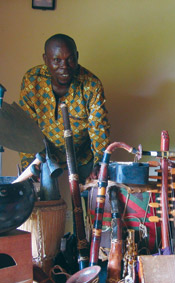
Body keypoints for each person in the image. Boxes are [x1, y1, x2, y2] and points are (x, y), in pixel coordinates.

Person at [18, 33, 110, 183]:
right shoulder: (32, 80)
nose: (64, 67)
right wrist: (29, 164)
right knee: (44, 201)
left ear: (77, 57)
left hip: (82, 154)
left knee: (94, 196)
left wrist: (100, 164)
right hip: (45, 154)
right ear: (45, 60)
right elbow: (26, 126)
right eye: (56, 60)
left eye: (70, 59)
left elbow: (99, 128)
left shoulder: (91, 85)